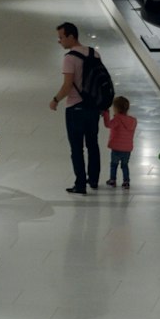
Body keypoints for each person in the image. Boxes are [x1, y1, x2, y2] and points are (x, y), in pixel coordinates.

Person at [50, 21, 102, 195]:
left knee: (77, 148)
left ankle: (80, 183)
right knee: (93, 144)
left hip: (75, 108)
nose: (60, 41)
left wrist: (55, 99)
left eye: (61, 37)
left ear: (71, 36)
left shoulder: (69, 58)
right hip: (93, 107)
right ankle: (93, 179)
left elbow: (67, 86)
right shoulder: (94, 53)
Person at [103, 95, 137, 188]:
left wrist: (106, 114)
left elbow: (108, 125)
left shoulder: (117, 119)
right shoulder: (133, 121)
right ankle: (126, 181)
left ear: (116, 108)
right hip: (127, 149)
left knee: (114, 165)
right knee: (125, 165)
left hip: (116, 148)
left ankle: (113, 180)